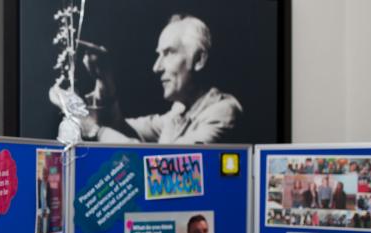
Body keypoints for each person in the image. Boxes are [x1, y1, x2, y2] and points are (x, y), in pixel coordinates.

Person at [51, 14, 242, 144]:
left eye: (168, 53)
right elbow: (121, 128)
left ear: (199, 59)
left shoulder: (223, 112)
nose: (156, 67)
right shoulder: (178, 113)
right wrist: (104, 81)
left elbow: (160, 166)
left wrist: (94, 130)